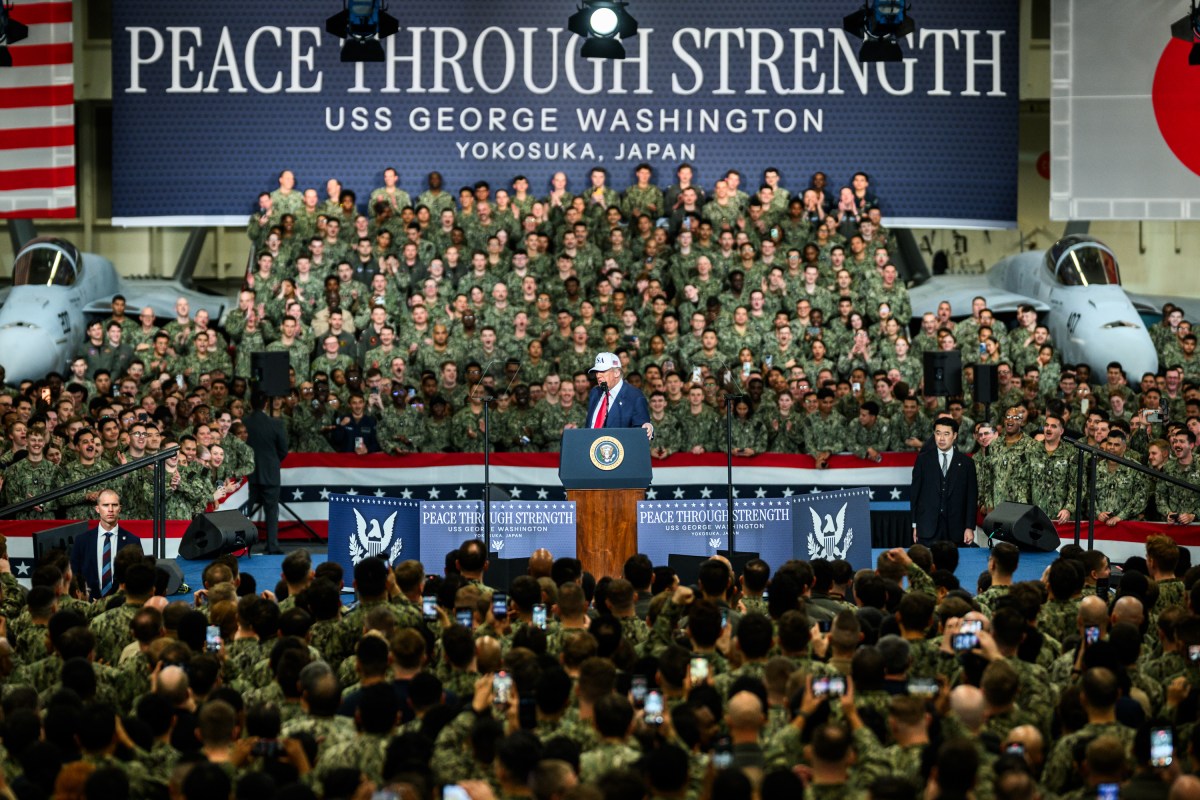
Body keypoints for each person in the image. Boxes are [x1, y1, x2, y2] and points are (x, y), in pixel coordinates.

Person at [910, 417, 978, 545]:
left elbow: (971, 497)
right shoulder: (923, 460)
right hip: (927, 527)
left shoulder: (966, 463)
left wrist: (969, 527)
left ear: (954, 436)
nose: (941, 438)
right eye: (938, 433)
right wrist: (915, 525)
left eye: (946, 434)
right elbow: (915, 494)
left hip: (956, 530)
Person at [69, 488, 143, 600]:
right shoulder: (82, 541)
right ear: (97, 509)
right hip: (89, 606)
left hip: (121, 607)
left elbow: (139, 577)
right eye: (105, 505)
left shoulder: (132, 541)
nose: (110, 509)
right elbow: (74, 576)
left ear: (120, 509)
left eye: (114, 505)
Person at [244, 390, 289, 554]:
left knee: (244, 510)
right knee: (271, 511)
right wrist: (273, 462)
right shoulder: (275, 423)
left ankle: (241, 545)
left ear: (250, 403)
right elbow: (284, 450)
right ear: (266, 404)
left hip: (248, 473)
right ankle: (272, 545)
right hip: (270, 473)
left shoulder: (243, 423)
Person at [585, 351, 653, 439]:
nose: (598, 375)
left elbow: (641, 434)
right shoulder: (595, 392)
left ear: (616, 372)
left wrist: (647, 428)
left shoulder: (635, 396)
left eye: (603, 371)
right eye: (597, 372)